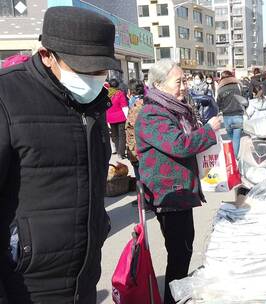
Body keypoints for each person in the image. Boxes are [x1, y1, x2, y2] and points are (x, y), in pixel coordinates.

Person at [0, 6, 120, 303]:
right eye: (83, 68)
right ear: (46, 55)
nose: (93, 78)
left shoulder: (94, 102)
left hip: (85, 278)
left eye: (100, 70)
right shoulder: (6, 97)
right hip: (26, 286)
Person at [135, 59, 222, 304]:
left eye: (185, 80)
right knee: (180, 253)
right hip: (168, 193)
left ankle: (176, 296)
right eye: (179, 81)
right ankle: (173, 299)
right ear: (159, 85)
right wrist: (209, 131)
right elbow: (180, 145)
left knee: (183, 249)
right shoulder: (153, 114)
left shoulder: (174, 108)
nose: (185, 86)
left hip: (180, 190)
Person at [216, 70, 245, 157]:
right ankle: (234, 157)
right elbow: (244, 98)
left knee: (230, 136)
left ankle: (231, 155)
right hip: (238, 114)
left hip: (227, 116)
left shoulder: (220, 88)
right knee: (236, 138)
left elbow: (218, 103)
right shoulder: (238, 85)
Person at [106, 78, 128, 158]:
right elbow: (124, 106)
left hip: (110, 118)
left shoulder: (107, 94)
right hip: (121, 117)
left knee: (115, 135)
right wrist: (127, 117)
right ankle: (120, 153)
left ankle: (118, 150)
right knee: (122, 135)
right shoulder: (120, 93)